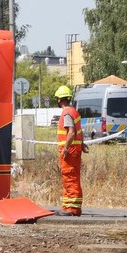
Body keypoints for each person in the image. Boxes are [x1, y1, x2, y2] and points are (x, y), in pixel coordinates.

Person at [55, 85, 86, 216]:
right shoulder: (74, 111)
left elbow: (72, 132)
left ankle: (72, 209)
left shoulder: (66, 113)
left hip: (70, 150)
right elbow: (79, 131)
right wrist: (82, 144)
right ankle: (68, 207)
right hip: (75, 149)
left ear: (59, 100)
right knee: (69, 178)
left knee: (70, 178)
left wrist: (66, 149)